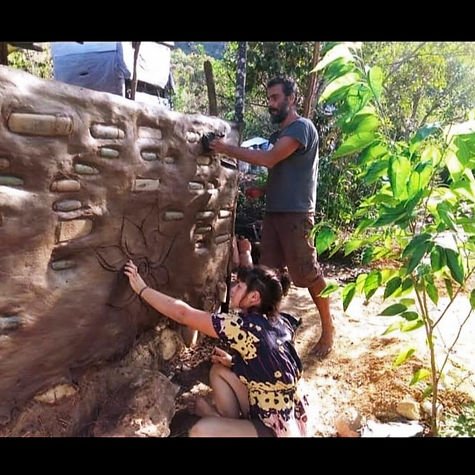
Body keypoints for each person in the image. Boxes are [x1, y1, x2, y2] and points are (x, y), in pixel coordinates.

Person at [210, 76, 334, 357]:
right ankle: (268, 333)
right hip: (274, 213)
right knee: (267, 276)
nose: (271, 104)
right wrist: (263, 189)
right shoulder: (280, 136)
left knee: (308, 273)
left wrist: (225, 148)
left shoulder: (302, 128)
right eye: (269, 99)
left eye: (275, 98)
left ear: (292, 99)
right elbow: (282, 169)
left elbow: (269, 159)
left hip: (296, 214)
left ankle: (328, 330)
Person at [124, 259, 310, 437]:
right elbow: (273, 365)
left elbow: (183, 314)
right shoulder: (279, 321)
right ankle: (229, 424)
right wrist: (234, 363)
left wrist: (142, 289)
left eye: (240, 286)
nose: (233, 289)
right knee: (219, 371)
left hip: (277, 428)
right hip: (279, 408)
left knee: (200, 432)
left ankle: (216, 420)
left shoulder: (243, 327)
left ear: (254, 297)